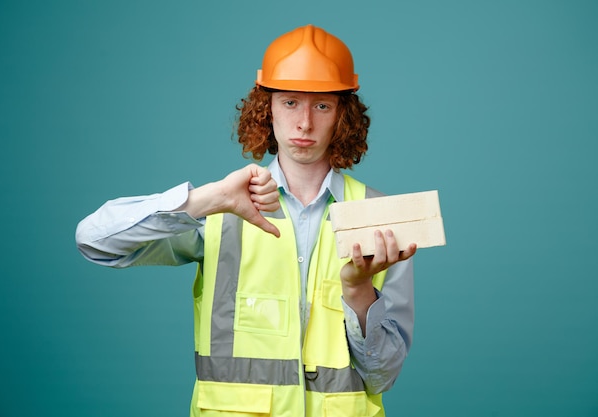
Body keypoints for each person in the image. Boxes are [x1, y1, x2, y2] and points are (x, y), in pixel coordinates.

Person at [76, 24, 417, 417]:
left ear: (343, 114)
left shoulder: (379, 215)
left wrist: (359, 292)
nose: (304, 123)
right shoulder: (220, 209)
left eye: (321, 105)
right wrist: (209, 198)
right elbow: (94, 240)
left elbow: (383, 376)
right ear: (266, 107)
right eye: (290, 103)